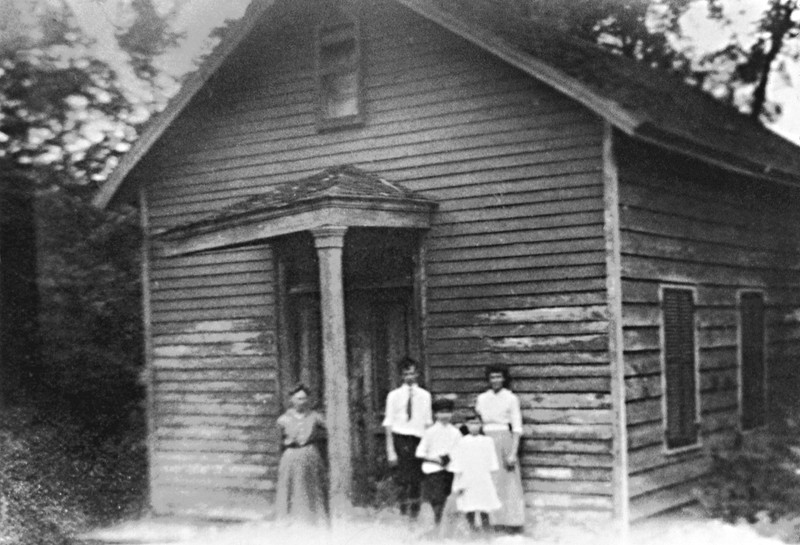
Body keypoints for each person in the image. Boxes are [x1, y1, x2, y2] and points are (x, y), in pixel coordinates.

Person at [475, 364, 526, 533]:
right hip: (485, 441)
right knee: (489, 482)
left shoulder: (511, 398)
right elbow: (478, 423)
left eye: (498, 377)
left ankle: (510, 523)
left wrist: (513, 452)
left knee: (507, 483)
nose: (495, 380)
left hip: (504, 440)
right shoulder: (482, 398)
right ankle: (491, 522)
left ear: (504, 379)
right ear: (488, 380)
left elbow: (517, 427)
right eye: (492, 377)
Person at [383, 357, 432, 518]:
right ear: (401, 376)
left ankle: (414, 514)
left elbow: (428, 422)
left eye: (412, 373)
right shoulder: (394, 396)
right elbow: (389, 423)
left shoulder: (425, 395)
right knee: (403, 479)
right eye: (406, 374)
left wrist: (428, 446)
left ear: (417, 374)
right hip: (401, 439)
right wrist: (390, 450)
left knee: (416, 480)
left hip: (418, 439)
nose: (409, 377)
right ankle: (404, 513)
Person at [275, 383, 328, 524]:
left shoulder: (315, 416)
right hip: (291, 456)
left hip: (310, 455)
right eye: (298, 398)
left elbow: (329, 429)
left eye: (304, 398)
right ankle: (289, 521)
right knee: (290, 488)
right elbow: (278, 442)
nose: (302, 402)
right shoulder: (283, 419)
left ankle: (314, 520)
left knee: (312, 488)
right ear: (292, 400)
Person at [449, 410, 501, 534]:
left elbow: (492, 462)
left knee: (484, 504)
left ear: (481, 424)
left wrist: (491, 477)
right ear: (466, 425)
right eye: (471, 423)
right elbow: (457, 463)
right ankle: (472, 529)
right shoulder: (461, 442)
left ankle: (486, 529)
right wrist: (458, 481)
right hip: (468, 477)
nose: (474, 426)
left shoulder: (487, 441)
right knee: (469, 504)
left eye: (477, 423)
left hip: (482, 477)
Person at [415, 397, 461, 527]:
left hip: (450, 469)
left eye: (447, 412)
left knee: (447, 498)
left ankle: (445, 525)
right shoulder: (430, 432)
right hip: (434, 470)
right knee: (437, 499)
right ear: (435, 414)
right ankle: (438, 525)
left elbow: (458, 450)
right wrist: (435, 459)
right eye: (441, 412)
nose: (444, 415)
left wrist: (449, 458)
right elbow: (420, 453)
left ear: (452, 413)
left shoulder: (455, 432)